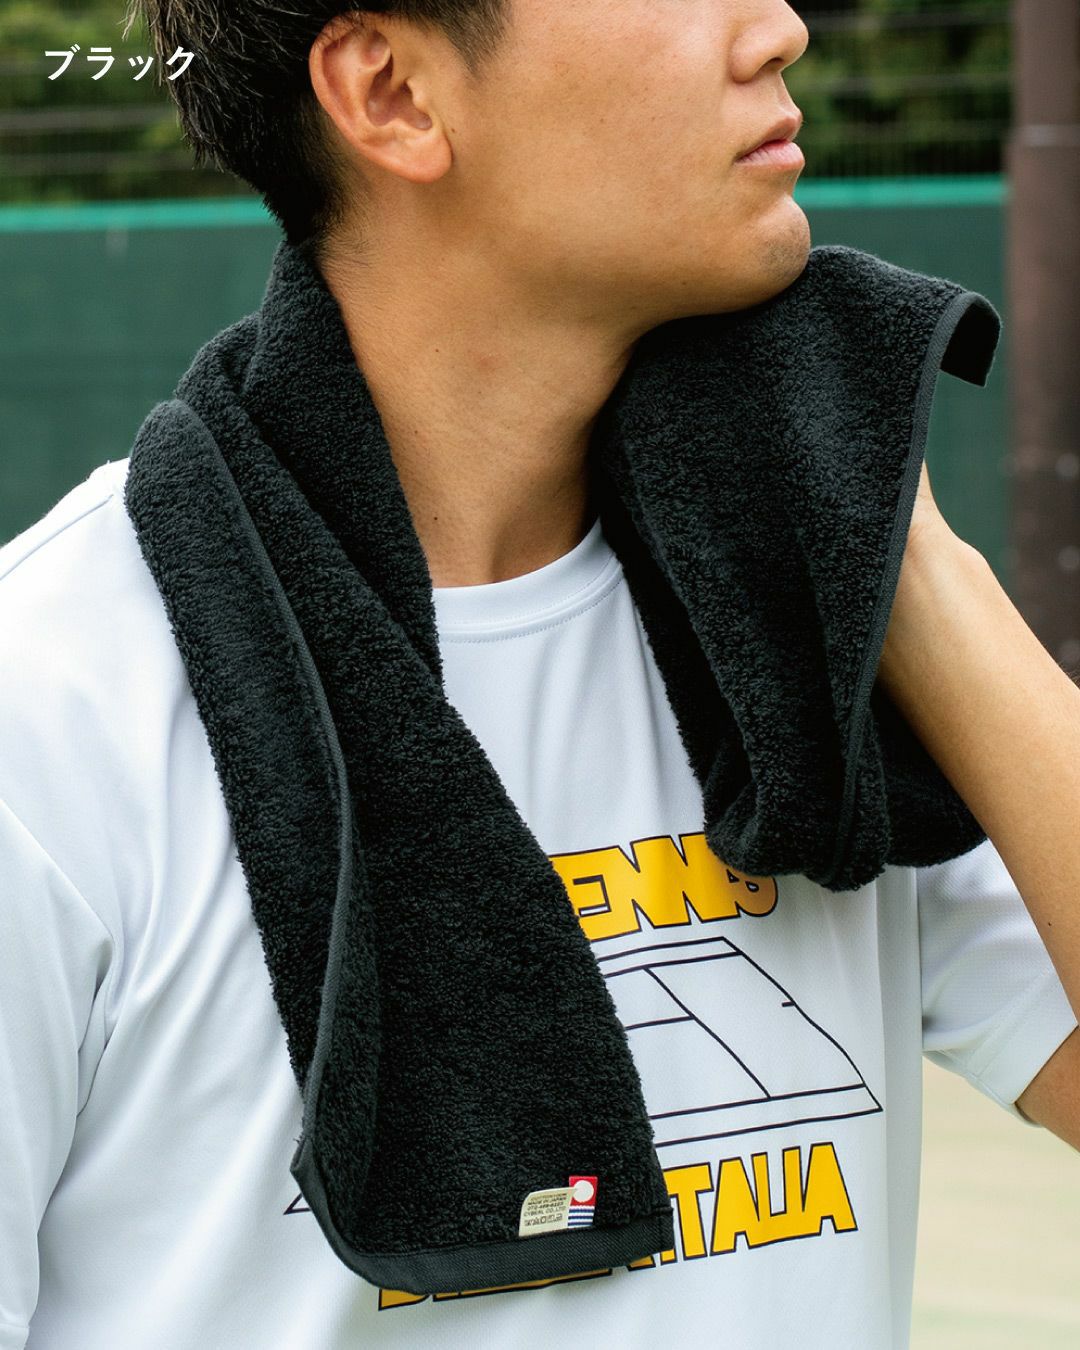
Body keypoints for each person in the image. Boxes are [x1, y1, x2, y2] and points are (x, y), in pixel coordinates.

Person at [2, 1, 1078, 1346]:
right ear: (392, 93)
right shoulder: (52, 706)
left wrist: (904, 549)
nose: (780, 28)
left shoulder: (801, 616)